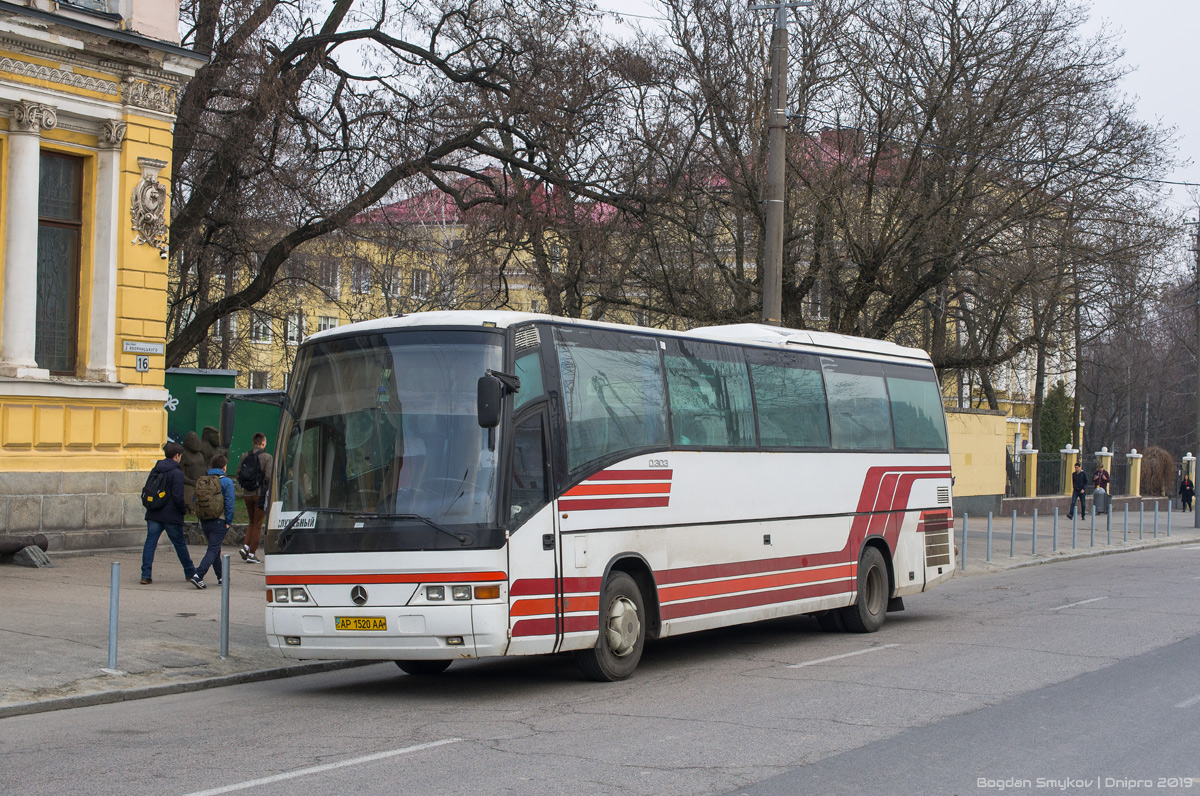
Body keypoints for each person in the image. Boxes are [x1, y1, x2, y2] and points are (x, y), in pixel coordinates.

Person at [140, 441, 197, 585]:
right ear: (177, 455)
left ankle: (145, 575)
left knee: (150, 543)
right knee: (179, 544)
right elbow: (178, 496)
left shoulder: (156, 469)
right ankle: (190, 572)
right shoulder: (176, 473)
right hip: (171, 515)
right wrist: (183, 510)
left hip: (154, 512)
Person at [190, 454, 235, 589]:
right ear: (224, 467)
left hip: (205, 519)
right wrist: (229, 520)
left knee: (215, 549)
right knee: (213, 549)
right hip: (219, 520)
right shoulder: (226, 482)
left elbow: (194, 500)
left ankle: (221, 577)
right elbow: (230, 502)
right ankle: (199, 575)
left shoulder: (203, 480)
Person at [236, 432, 273, 564]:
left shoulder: (245, 455)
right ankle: (252, 553)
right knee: (258, 524)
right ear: (263, 443)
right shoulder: (267, 457)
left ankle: (246, 546)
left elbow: (238, 473)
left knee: (251, 521)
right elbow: (269, 477)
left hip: (247, 494)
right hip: (260, 494)